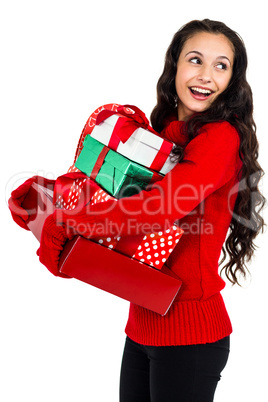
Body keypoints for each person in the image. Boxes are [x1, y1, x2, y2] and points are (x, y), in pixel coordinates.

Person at [9, 19, 266, 402]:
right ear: (175, 66)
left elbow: (158, 209)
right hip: (143, 324)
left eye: (221, 65)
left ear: (233, 80)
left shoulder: (220, 138)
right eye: (195, 60)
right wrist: (53, 198)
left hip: (191, 336)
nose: (206, 75)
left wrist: (73, 221)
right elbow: (112, 197)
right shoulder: (159, 131)